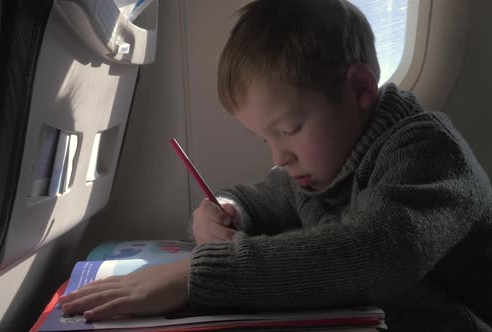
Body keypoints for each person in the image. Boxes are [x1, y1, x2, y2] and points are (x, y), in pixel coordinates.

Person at [58, 0, 492, 330]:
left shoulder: (428, 151)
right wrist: (222, 210)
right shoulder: (322, 167)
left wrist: (199, 275)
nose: (278, 157)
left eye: (289, 129)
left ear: (359, 89)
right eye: (265, 138)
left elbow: (376, 253)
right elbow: (263, 198)